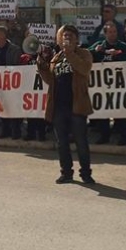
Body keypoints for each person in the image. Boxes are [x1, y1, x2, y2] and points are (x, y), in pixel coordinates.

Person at [37, 24, 95, 184]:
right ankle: (66, 173)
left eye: (70, 36)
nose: (66, 39)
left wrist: (70, 53)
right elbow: (50, 80)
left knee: (81, 142)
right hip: (59, 106)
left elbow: (84, 69)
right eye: (64, 36)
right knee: (62, 143)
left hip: (77, 104)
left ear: (76, 39)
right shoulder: (56, 58)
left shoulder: (84, 53)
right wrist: (41, 65)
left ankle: (86, 174)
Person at [89, 21, 126, 145]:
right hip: (103, 86)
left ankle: (124, 137)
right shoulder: (99, 45)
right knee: (103, 112)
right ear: (105, 33)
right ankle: (104, 136)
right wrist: (95, 51)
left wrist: (118, 56)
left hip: (119, 86)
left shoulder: (123, 46)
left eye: (114, 32)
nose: (112, 34)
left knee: (121, 112)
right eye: (110, 32)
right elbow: (86, 54)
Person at [0, 25, 23, 139]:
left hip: (11, 83)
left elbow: (17, 64)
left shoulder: (14, 49)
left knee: (13, 107)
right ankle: (4, 130)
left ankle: (16, 131)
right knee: (2, 107)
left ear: (3, 35)